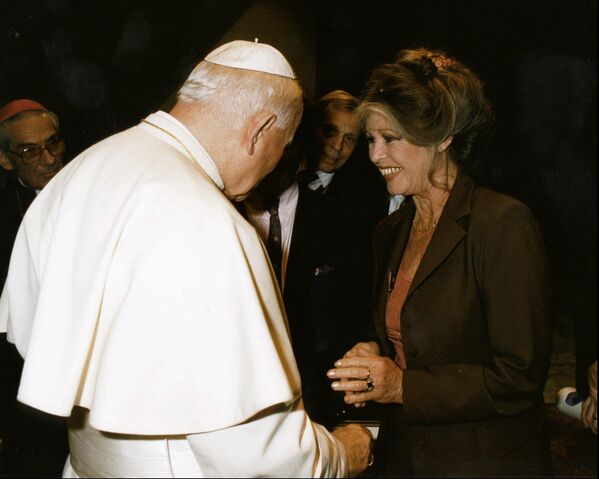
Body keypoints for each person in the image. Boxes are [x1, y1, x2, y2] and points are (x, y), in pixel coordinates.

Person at [0, 40, 373, 478]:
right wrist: (342, 454)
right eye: (283, 144)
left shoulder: (86, 167)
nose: (275, 165)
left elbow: (34, 338)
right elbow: (254, 454)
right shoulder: (211, 223)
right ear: (259, 129)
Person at [326, 47, 554, 477]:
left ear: (443, 137)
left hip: (485, 462)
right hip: (406, 456)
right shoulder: (390, 231)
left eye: (391, 138)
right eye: (371, 140)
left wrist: (402, 386)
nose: (375, 155)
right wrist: (374, 352)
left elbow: (519, 378)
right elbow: (408, 337)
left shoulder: (501, 223)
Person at [245, 90, 388, 428]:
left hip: (310, 403)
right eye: (329, 131)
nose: (336, 146)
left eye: (350, 138)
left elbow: (356, 308)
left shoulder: (346, 217)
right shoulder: (222, 209)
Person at [0, 99, 68, 477]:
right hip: (20, 368)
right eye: (30, 151)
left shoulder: (84, 185)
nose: (49, 159)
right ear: (6, 160)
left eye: (53, 143)